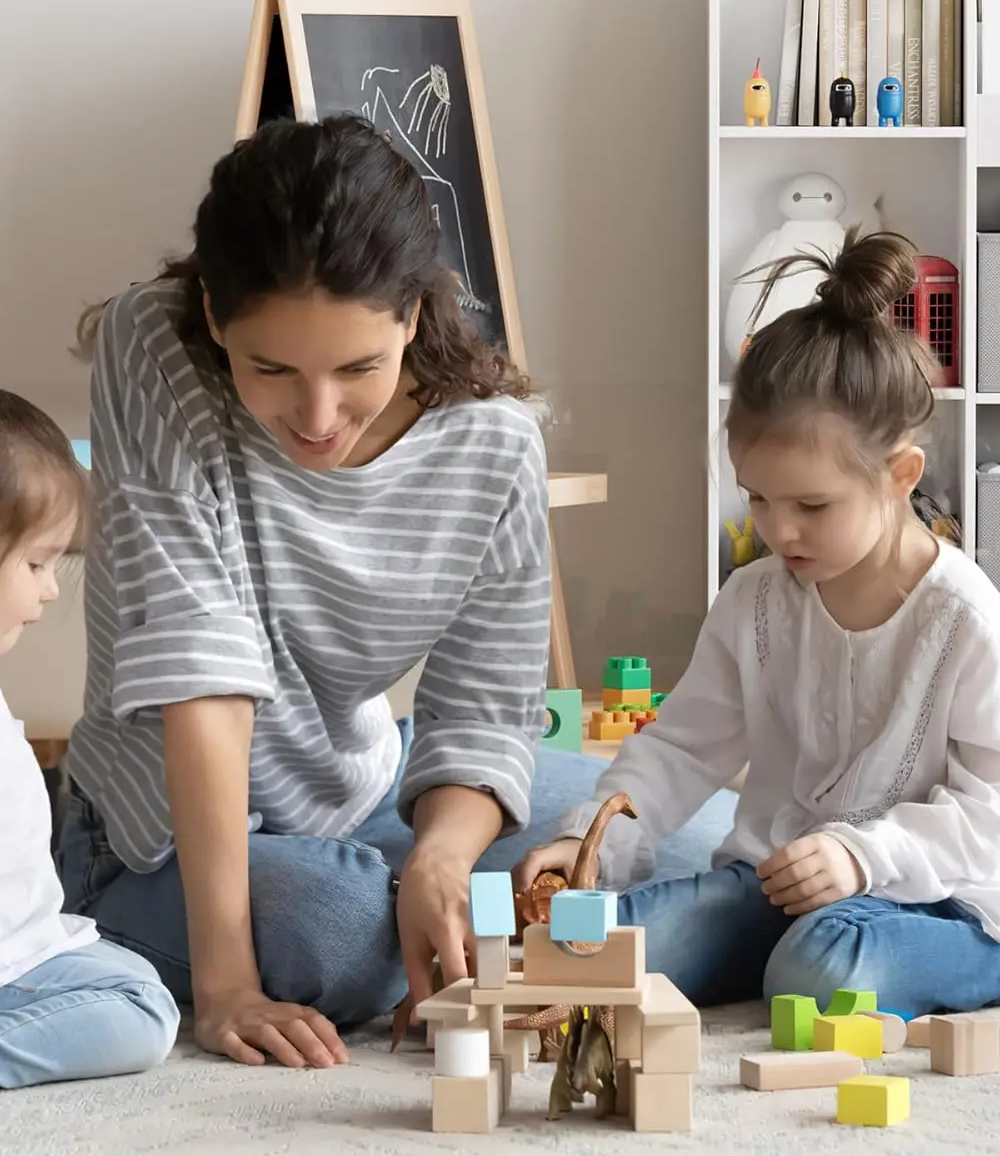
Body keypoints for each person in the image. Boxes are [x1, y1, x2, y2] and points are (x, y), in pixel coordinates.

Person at [55, 113, 608, 1071]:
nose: (317, 416)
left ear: (413, 316)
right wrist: (227, 987)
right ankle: (453, 928)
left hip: (364, 786)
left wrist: (440, 856)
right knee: (346, 931)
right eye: (271, 368)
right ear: (216, 317)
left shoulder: (495, 441)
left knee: (668, 837)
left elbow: (484, 711)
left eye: (358, 368)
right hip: (157, 834)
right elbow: (199, 664)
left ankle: (444, 903)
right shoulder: (154, 345)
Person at [516, 228, 1000, 1017]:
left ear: (899, 476)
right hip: (781, 884)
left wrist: (861, 855)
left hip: (932, 900)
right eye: (758, 498)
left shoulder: (968, 624)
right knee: (588, 946)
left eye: (812, 505)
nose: (778, 529)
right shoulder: (754, 601)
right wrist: (591, 840)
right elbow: (681, 748)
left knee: (820, 970)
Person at [0, 390, 180, 1088]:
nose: (51, 591)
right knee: (140, 1011)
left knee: (134, 977)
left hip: (25, 947)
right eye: (35, 564)